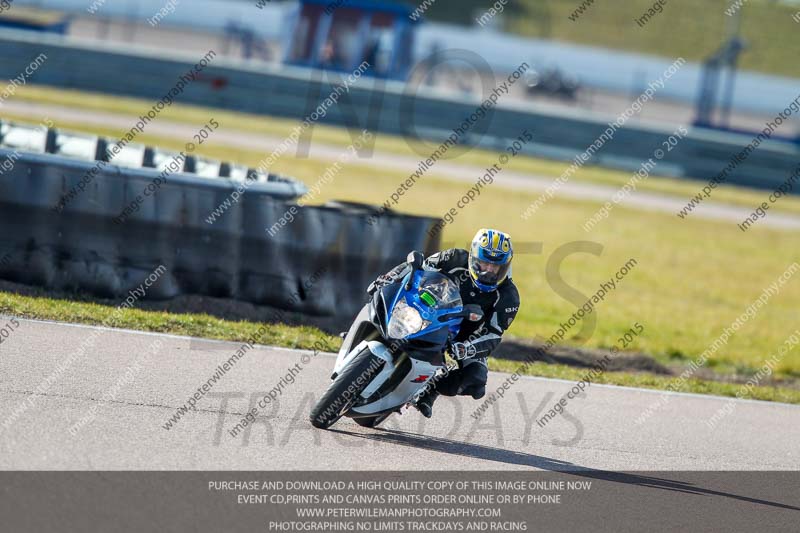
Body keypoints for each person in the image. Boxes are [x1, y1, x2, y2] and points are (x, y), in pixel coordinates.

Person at [370, 228, 520, 418]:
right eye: (483, 263)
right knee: (381, 297)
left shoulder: (508, 297)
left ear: (505, 267)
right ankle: (366, 330)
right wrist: (388, 278)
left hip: (463, 337)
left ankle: (431, 389)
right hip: (427, 309)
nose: (489, 271)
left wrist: (468, 348)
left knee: (476, 382)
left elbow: (494, 334)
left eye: (495, 267)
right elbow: (417, 268)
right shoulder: (453, 257)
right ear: (473, 258)